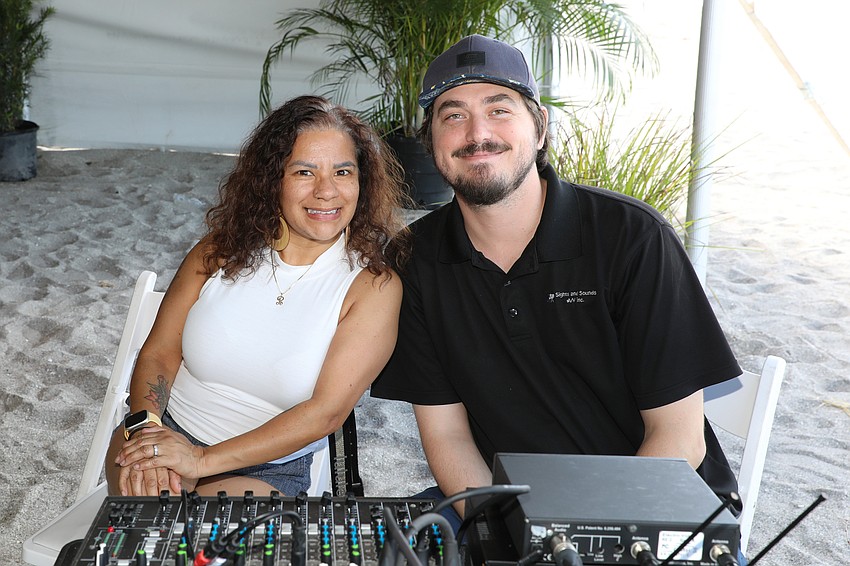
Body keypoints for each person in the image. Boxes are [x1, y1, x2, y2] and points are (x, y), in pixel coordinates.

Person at [371, 34, 745, 550]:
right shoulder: (415, 261)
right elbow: (448, 437)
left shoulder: (632, 238)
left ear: (540, 127)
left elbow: (678, 438)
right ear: (432, 140)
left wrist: (582, 540)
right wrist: (511, 533)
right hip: (507, 511)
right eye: (452, 115)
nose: (477, 133)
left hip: (655, 510)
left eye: (499, 109)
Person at [107, 95, 408, 497]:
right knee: (145, 516)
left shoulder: (372, 287)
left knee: (195, 542)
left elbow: (324, 414)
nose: (326, 191)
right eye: (304, 171)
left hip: (266, 469)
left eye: (342, 172)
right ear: (273, 180)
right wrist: (146, 430)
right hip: (165, 430)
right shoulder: (221, 249)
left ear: (361, 182)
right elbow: (160, 351)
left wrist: (199, 461)